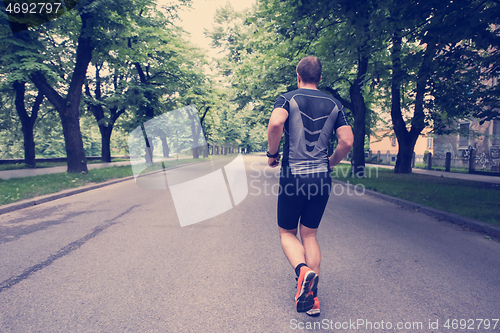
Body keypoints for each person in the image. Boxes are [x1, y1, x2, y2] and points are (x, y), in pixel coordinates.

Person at [266, 56, 354, 316]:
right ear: (320, 78)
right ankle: (312, 300)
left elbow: (275, 123)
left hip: (294, 176)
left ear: (298, 75)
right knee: (310, 235)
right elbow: (347, 141)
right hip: (321, 178)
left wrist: (272, 154)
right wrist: (331, 162)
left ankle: (302, 272)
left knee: (286, 233)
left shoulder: (287, 98)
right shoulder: (335, 104)